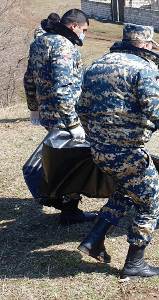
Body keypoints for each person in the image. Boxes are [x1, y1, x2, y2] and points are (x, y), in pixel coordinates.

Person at [76, 23, 159, 280]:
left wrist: (96, 137)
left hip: (99, 150)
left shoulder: (97, 65)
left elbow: (81, 108)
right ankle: (134, 263)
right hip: (128, 154)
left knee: (126, 192)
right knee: (151, 205)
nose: (152, 49)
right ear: (144, 44)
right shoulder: (143, 69)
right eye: (151, 44)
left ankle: (93, 240)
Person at [23, 9, 96, 225]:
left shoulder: (40, 42)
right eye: (83, 30)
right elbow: (62, 88)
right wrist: (73, 123)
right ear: (73, 26)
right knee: (71, 162)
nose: (84, 34)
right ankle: (67, 208)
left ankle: (67, 207)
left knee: (63, 159)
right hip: (65, 115)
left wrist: (34, 107)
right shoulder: (64, 46)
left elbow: (29, 78)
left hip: (48, 112)